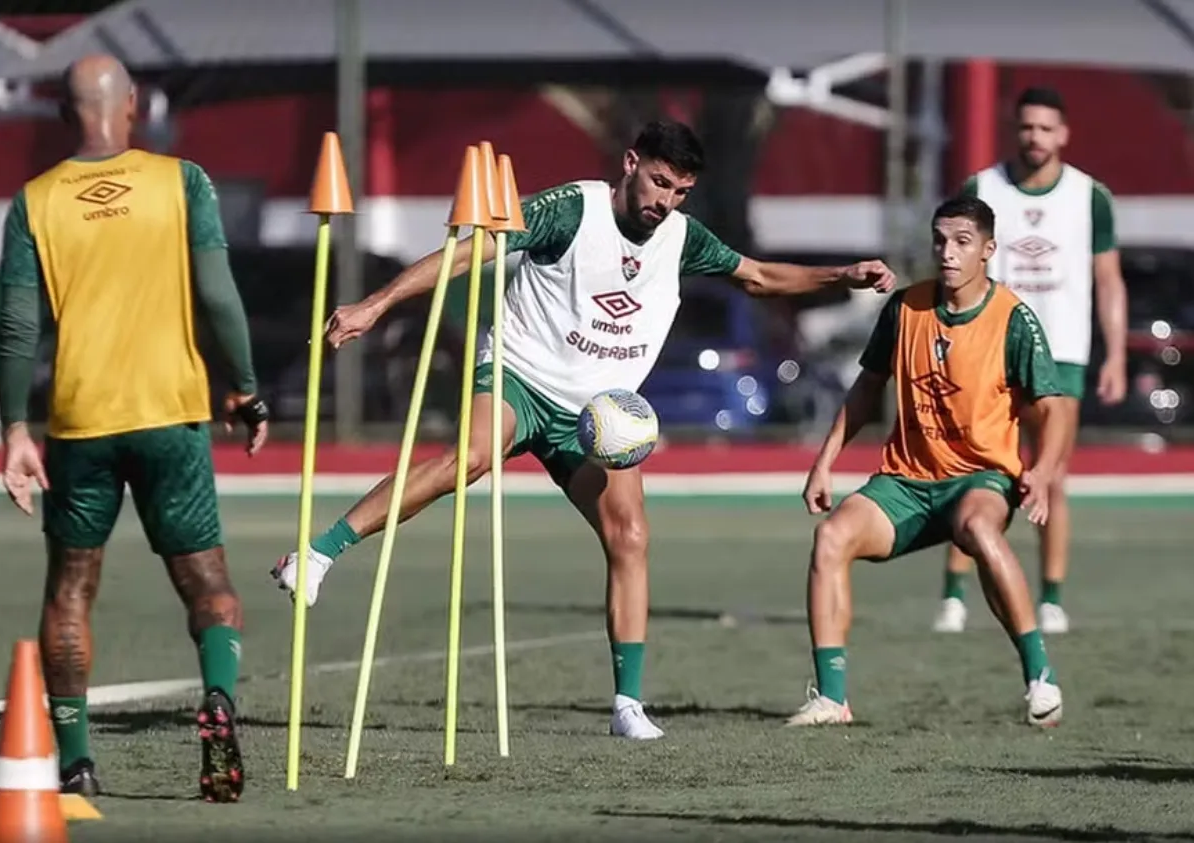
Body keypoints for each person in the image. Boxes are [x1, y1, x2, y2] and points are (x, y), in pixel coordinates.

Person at [271, 119, 896, 740]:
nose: (665, 202)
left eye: (680, 191)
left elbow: (759, 277)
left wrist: (841, 275)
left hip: (600, 413)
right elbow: (468, 253)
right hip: (521, 374)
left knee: (630, 535)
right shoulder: (571, 209)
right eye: (658, 183)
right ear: (629, 163)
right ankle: (318, 554)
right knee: (471, 458)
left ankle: (627, 704)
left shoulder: (680, 236)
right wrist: (376, 305)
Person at [0, 54, 267, 803]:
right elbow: (217, 293)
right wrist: (242, 384)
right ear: (134, 105)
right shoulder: (182, 181)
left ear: (63, 116)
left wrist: (15, 427)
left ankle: (76, 760)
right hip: (170, 414)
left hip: (81, 421)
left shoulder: (36, 200)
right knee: (207, 583)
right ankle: (216, 696)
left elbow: (19, 324)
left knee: (71, 589)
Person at [790, 195, 1068, 728]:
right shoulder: (904, 307)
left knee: (980, 532)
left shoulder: (1013, 319)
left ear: (987, 250)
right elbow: (866, 390)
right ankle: (832, 699)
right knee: (830, 538)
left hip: (980, 478)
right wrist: (825, 462)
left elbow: (1052, 410)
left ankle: (1040, 676)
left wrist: (1042, 471)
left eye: (962, 242)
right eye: (940, 240)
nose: (947, 252)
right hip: (906, 481)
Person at [933, 86, 1129, 635]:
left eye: (1046, 128)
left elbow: (1108, 280)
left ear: (1063, 134)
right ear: (1014, 130)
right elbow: (957, 265)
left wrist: (1114, 355)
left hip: (1063, 352)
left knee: (1052, 475)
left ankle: (1052, 598)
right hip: (991, 347)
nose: (1035, 137)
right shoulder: (983, 188)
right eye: (1026, 127)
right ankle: (953, 595)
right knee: (972, 472)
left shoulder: (1091, 197)